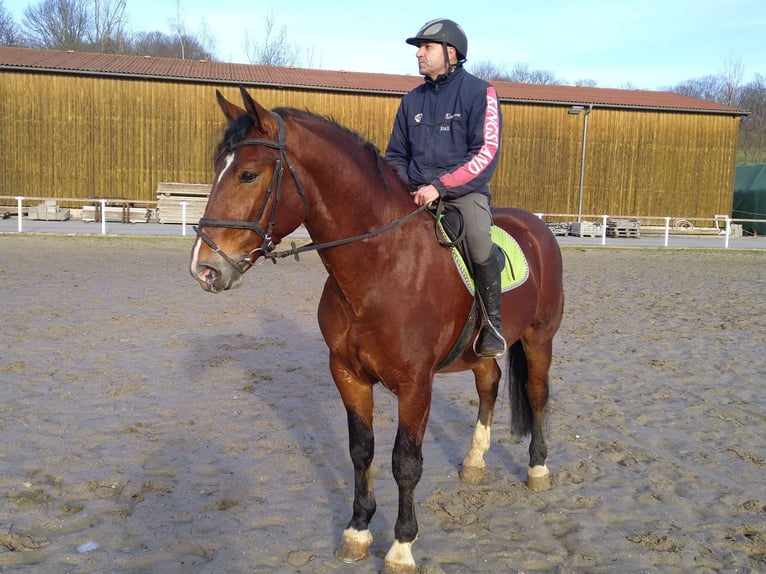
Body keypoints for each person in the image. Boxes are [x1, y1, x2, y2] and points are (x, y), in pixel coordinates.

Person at [385, 18, 507, 358]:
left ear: (450, 52)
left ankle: (491, 324)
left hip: (464, 194)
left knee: (480, 240)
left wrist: (439, 186)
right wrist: (409, 188)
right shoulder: (411, 101)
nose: (418, 54)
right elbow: (395, 154)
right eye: (418, 48)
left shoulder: (480, 93)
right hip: (414, 195)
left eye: (426, 47)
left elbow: (486, 152)